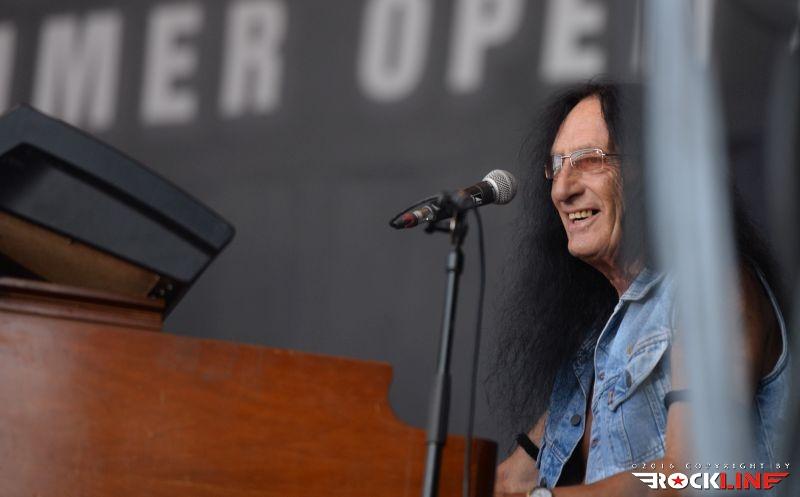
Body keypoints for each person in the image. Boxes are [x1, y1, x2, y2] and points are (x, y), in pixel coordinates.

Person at [490, 82, 788, 496]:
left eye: (589, 160)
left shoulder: (713, 290)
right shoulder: (596, 343)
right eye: (556, 166)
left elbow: (688, 478)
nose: (561, 189)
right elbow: (510, 481)